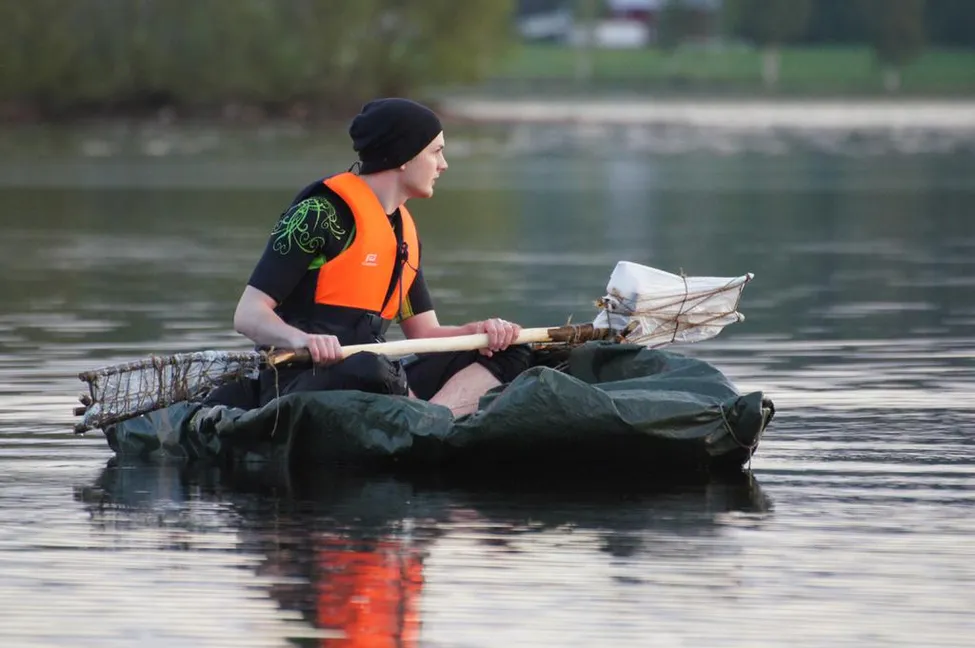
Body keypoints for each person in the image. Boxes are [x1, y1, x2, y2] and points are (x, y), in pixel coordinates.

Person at [206, 98, 532, 416]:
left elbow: (424, 335)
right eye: (436, 152)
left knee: (512, 352)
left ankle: (432, 421)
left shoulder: (403, 235)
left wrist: (479, 332)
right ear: (404, 156)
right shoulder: (317, 214)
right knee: (370, 368)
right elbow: (248, 315)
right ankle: (426, 420)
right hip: (303, 379)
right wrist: (302, 340)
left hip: (380, 376)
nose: (443, 164)